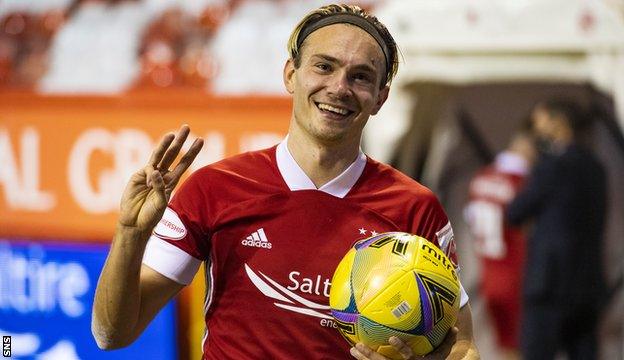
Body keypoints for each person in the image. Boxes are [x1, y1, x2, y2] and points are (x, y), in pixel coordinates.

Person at [91, 4, 480, 360]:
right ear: (291, 75)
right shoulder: (214, 189)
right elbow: (112, 334)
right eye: (324, 67)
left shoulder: (415, 208)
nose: (339, 88)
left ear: (380, 97)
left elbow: (463, 349)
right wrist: (129, 233)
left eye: (360, 77)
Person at [507, 98, 607, 360]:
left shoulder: (551, 166)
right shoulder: (597, 168)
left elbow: (516, 212)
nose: (535, 130)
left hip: (549, 283)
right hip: (588, 283)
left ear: (558, 122)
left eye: (539, 122)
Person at [464, 127, 536, 360]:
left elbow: (471, 218)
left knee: (505, 346)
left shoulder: (481, 177)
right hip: (517, 274)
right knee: (523, 348)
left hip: (490, 273)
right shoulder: (522, 182)